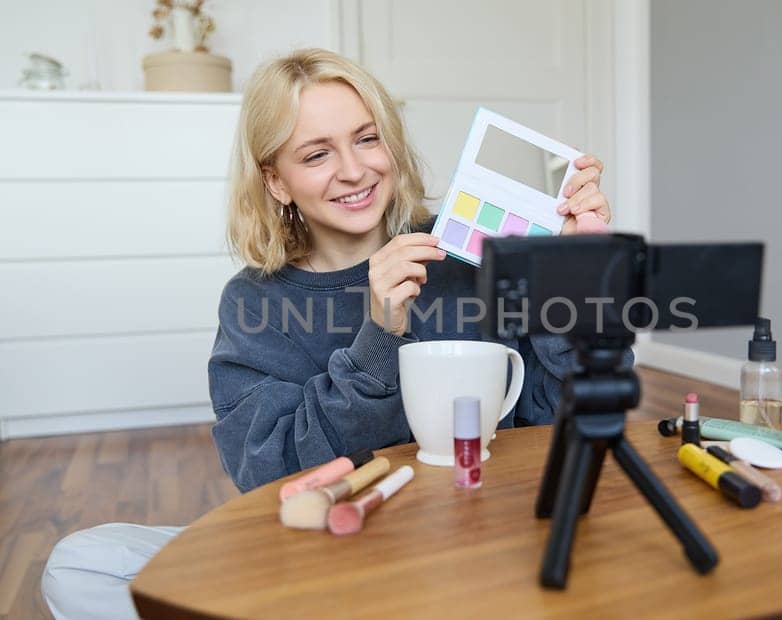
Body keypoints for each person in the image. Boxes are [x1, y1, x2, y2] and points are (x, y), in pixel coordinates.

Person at [41, 48, 614, 619]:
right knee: (81, 563)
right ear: (277, 182)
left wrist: (571, 274)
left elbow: (561, 413)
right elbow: (269, 474)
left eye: (367, 139)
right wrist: (379, 335)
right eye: (317, 154)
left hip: (476, 533)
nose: (354, 170)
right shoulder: (255, 302)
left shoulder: (469, 252)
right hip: (332, 548)